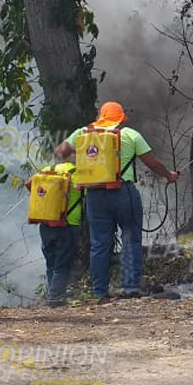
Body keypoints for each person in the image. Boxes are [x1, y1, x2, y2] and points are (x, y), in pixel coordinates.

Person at [54, 101, 178, 299]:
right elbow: (152, 164)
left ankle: (99, 292)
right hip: (123, 192)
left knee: (99, 244)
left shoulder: (83, 134)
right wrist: (169, 175)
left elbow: (60, 152)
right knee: (131, 240)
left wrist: (86, 159)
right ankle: (130, 288)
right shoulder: (130, 135)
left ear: (100, 116)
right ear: (120, 118)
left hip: (95, 196)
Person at [24, 162, 84, 307]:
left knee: (51, 263)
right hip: (68, 223)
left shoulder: (47, 170)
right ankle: (55, 298)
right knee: (62, 264)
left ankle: (53, 295)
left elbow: (29, 184)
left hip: (46, 224)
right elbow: (86, 190)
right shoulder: (76, 172)